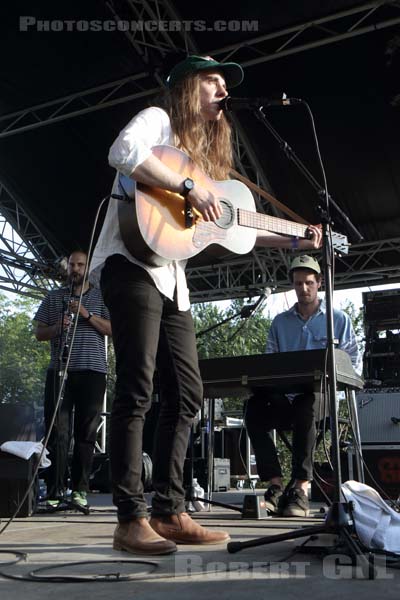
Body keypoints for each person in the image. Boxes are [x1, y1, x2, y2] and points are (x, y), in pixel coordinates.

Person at [90, 54, 322, 555]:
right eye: (212, 80)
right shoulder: (159, 121)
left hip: (172, 279)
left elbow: (236, 232)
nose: (222, 90)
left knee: (188, 393)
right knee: (137, 388)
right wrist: (189, 186)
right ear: (187, 86)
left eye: (224, 83)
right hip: (130, 264)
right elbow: (122, 150)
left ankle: (169, 510)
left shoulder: (208, 164)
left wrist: (295, 241)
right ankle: (128, 518)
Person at [244, 255, 359, 518]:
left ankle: (300, 487)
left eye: (309, 283)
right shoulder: (279, 323)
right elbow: (269, 366)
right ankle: (274, 485)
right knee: (254, 408)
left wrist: (335, 376)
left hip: (322, 398)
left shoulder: (338, 319)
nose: (303, 289)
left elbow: (354, 364)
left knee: (308, 404)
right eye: (298, 283)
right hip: (286, 398)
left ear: (320, 282)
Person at [34, 250, 112, 508]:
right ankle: (55, 492)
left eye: (80, 264)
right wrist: (58, 327)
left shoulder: (100, 296)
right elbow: (39, 333)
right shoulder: (54, 297)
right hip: (59, 372)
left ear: (88, 268)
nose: (76, 268)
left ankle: (80, 491)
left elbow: (113, 328)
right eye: (72, 265)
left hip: (92, 371)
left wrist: (86, 314)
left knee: (86, 434)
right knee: (57, 433)